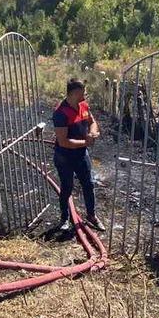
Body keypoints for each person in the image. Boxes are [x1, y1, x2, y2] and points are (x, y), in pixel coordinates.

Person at [52, 79, 106, 234]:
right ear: (75, 93)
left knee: (88, 184)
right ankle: (64, 218)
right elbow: (63, 141)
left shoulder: (83, 105)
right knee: (67, 187)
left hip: (81, 154)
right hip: (65, 156)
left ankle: (91, 215)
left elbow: (92, 121)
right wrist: (86, 142)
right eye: (83, 92)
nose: (85, 95)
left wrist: (93, 131)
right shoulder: (60, 113)